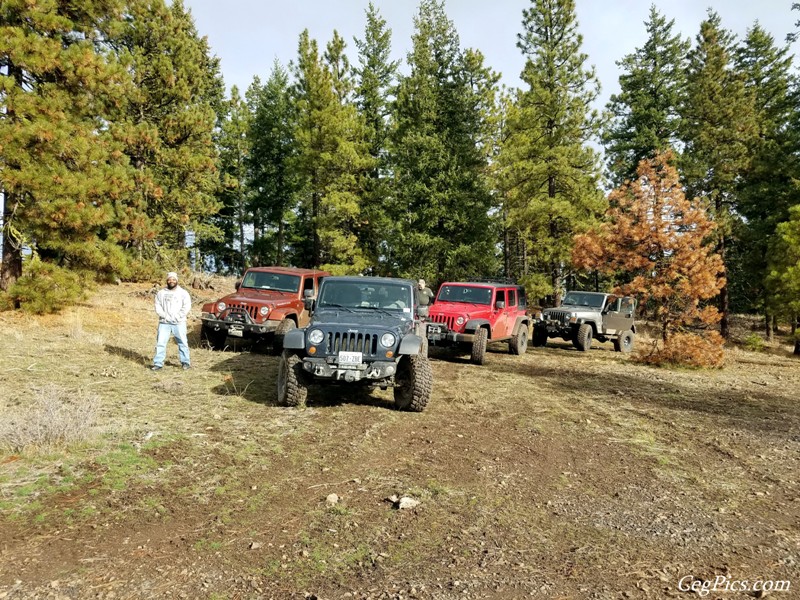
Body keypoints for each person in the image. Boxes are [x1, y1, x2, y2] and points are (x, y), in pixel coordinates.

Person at [152, 271, 192, 371]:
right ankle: (158, 363)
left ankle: (185, 362)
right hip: (164, 322)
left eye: (174, 279)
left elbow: (186, 306)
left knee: (182, 342)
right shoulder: (161, 293)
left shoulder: (183, 293)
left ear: (177, 280)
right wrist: (164, 316)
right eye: (170, 279)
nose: (171, 281)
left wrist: (178, 316)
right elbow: (158, 306)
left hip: (179, 322)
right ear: (167, 280)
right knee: (160, 343)